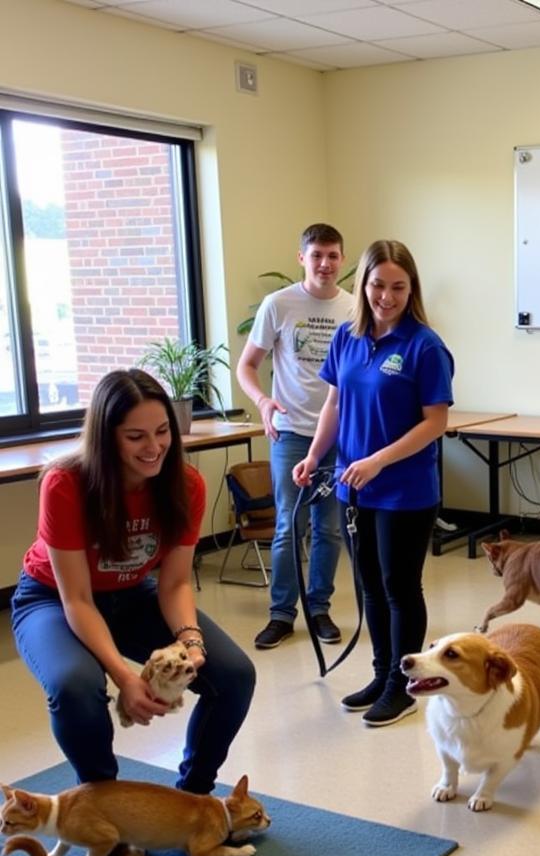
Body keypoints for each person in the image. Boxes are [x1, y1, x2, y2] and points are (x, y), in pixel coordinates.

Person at [11, 369, 256, 803]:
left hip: (133, 594)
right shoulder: (65, 483)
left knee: (233, 675)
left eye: (162, 431)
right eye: (135, 437)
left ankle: (192, 799)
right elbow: (78, 599)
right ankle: (106, 810)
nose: (154, 447)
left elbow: (175, 582)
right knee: (76, 687)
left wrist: (192, 642)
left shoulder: (184, 484)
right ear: (107, 438)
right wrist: (124, 676)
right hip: (51, 599)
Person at [294, 240, 454, 727]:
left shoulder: (424, 346)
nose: (387, 296)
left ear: (412, 289)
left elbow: (435, 422)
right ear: (362, 285)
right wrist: (314, 454)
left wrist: (379, 461)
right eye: (378, 285)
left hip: (405, 490)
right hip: (353, 486)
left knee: (398, 586)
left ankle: (403, 686)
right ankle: (382, 672)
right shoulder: (347, 337)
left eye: (398, 287)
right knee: (367, 586)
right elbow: (334, 406)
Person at [236, 223, 354, 650]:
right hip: (291, 433)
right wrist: (263, 402)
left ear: (342, 259)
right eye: (317, 255)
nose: (325, 264)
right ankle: (282, 614)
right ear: (301, 258)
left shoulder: (355, 309)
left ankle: (318, 608)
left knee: (329, 528)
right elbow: (246, 366)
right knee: (289, 524)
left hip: (341, 435)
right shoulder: (279, 304)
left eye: (333, 256)